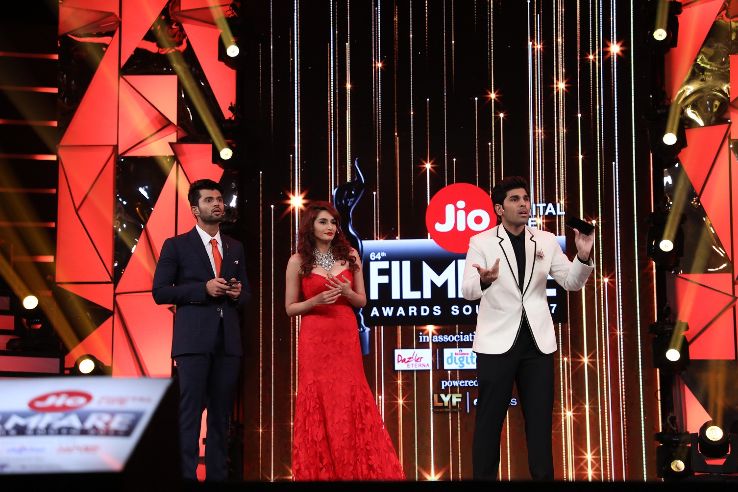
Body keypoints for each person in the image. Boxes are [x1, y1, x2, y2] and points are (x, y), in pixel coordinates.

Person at [461, 176, 594, 480]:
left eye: (525, 198)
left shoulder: (545, 240)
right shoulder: (481, 242)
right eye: (514, 199)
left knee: (540, 424)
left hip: (537, 344)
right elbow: (468, 290)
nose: (523, 204)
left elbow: (571, 283)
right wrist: (484, 280)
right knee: (489, 423)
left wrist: (583, 255)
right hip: (496, 344)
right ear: (499, 208)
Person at [285, 201, 404, 481]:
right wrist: (314, 300)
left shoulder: (350, 255)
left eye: (333, 222)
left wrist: (348, 293)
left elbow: (362, 301)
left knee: (348, 396)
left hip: (344, 332)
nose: (330, 227)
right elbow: (290, 308)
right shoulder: (297, 261)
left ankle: (356, 470)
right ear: (310, 226)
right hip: (315, 336)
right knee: (318, 396)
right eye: (323, 222)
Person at [152, 178, 250, 481]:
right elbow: (160, 292)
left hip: (228, 341)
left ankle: (217, 476)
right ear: (195, 209)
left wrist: (238, 294)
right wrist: (202, 289)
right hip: (193, 341)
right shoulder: (176, 245)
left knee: (221, 415)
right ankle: (186, 476)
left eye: (219, 199)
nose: (217, 204)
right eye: (209, 200)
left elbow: (247, 294)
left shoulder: (234, 246)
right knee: (190, 413)